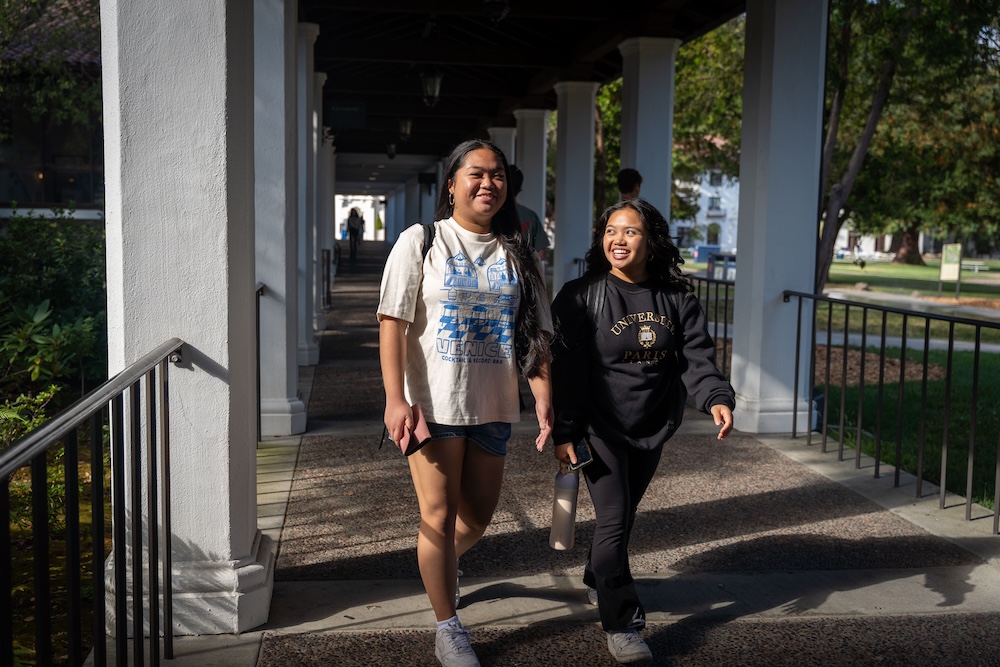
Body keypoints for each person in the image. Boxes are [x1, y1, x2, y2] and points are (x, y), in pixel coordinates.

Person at [377, 139, 554, 667]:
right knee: (438, 514)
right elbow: (392, 322)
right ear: (452, 184)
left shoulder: (519, 254)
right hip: (432, 406)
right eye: (476, 173)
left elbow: (536, 335)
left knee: (476, 519)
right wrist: (394, 399)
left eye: (497, 175)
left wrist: (543, 398)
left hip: (494, 403)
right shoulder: (421, 240)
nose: (487, 183)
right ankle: (447, 626)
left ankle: (439, 568)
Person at [549, 198, 735, 664]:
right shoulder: (580, 295)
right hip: (599, 426)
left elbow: (697, 358)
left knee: (624, 514)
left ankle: (597, 575)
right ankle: (623, 624)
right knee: (614, 519)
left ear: (651, 242)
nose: (618, 240)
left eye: (630, 231)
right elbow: (566, 373)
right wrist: (565, 432)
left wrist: (716, 397)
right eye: (611, 231)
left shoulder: (677, 298)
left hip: (652, 424)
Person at [508, 164, 550, 263]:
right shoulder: (530, 216)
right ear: (519, 189)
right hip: (524, 270)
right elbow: (542, 253)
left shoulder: (489, 215)